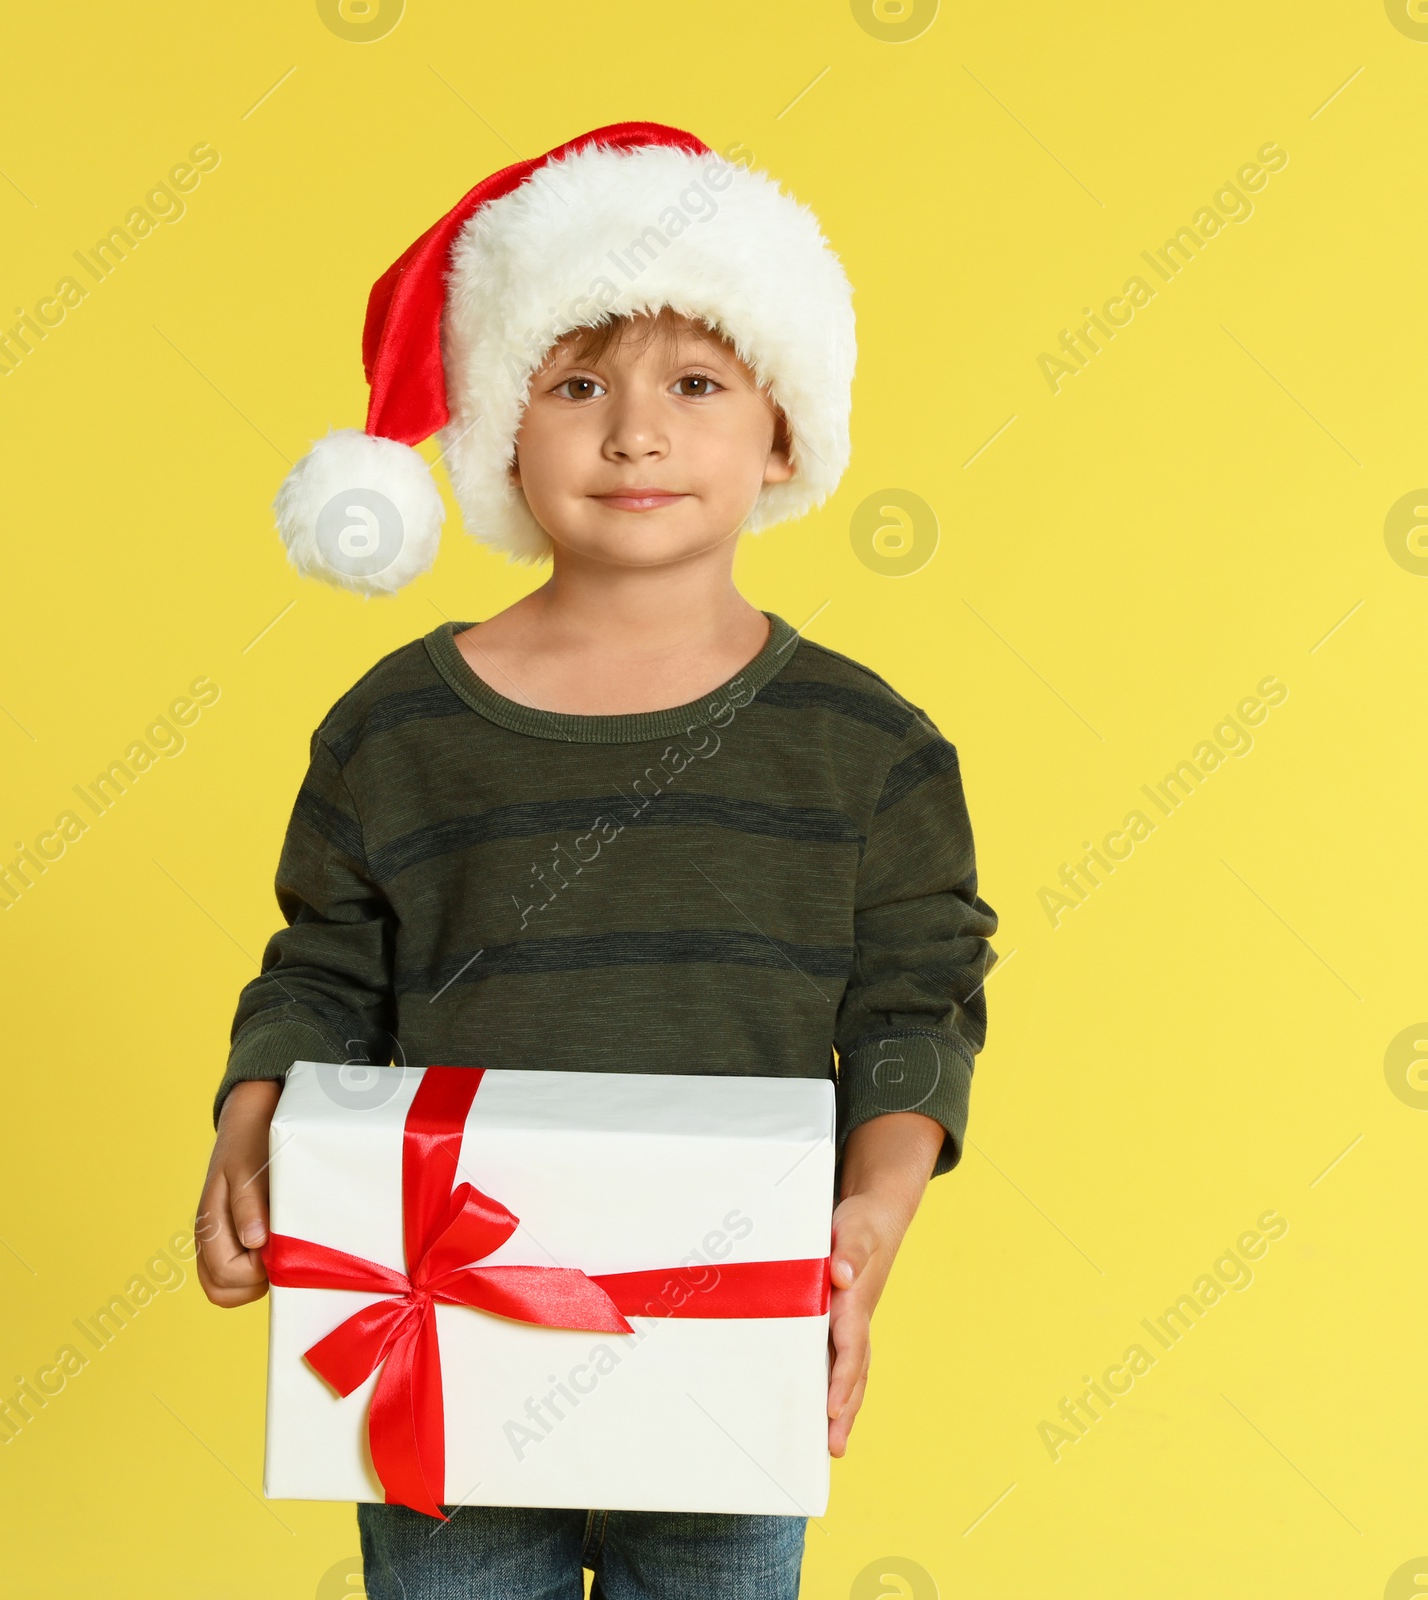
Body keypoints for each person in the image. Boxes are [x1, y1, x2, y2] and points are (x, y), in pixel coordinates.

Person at [193, 121, 998, 1600]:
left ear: (782, 430)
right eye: (576, 385)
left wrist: (872, 1216)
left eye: (696, 383)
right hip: (447, 1333)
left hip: (727, 1345)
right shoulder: (397, 727)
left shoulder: (867, 746)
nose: (635, 433)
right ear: (499, 424)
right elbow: (321, 971)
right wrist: (252, 1126)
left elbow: (917, 1004)